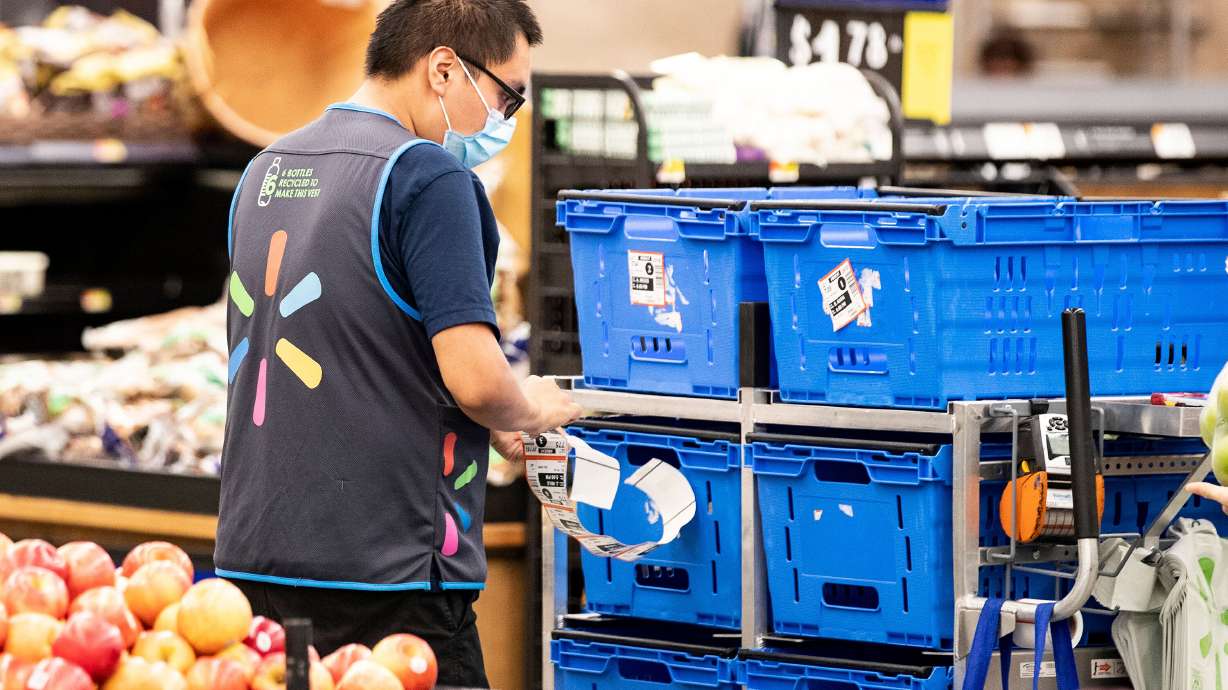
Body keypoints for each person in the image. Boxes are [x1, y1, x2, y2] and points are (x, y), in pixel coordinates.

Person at [214, 1, 581, 686]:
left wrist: (491, 419)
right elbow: (476, 379)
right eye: (507, 96)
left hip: (254, 563)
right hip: (390, 574)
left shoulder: (265, 168)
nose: (505, 119)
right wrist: (530, 408)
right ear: (443, 69)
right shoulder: (431, 179)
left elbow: (355, 340)